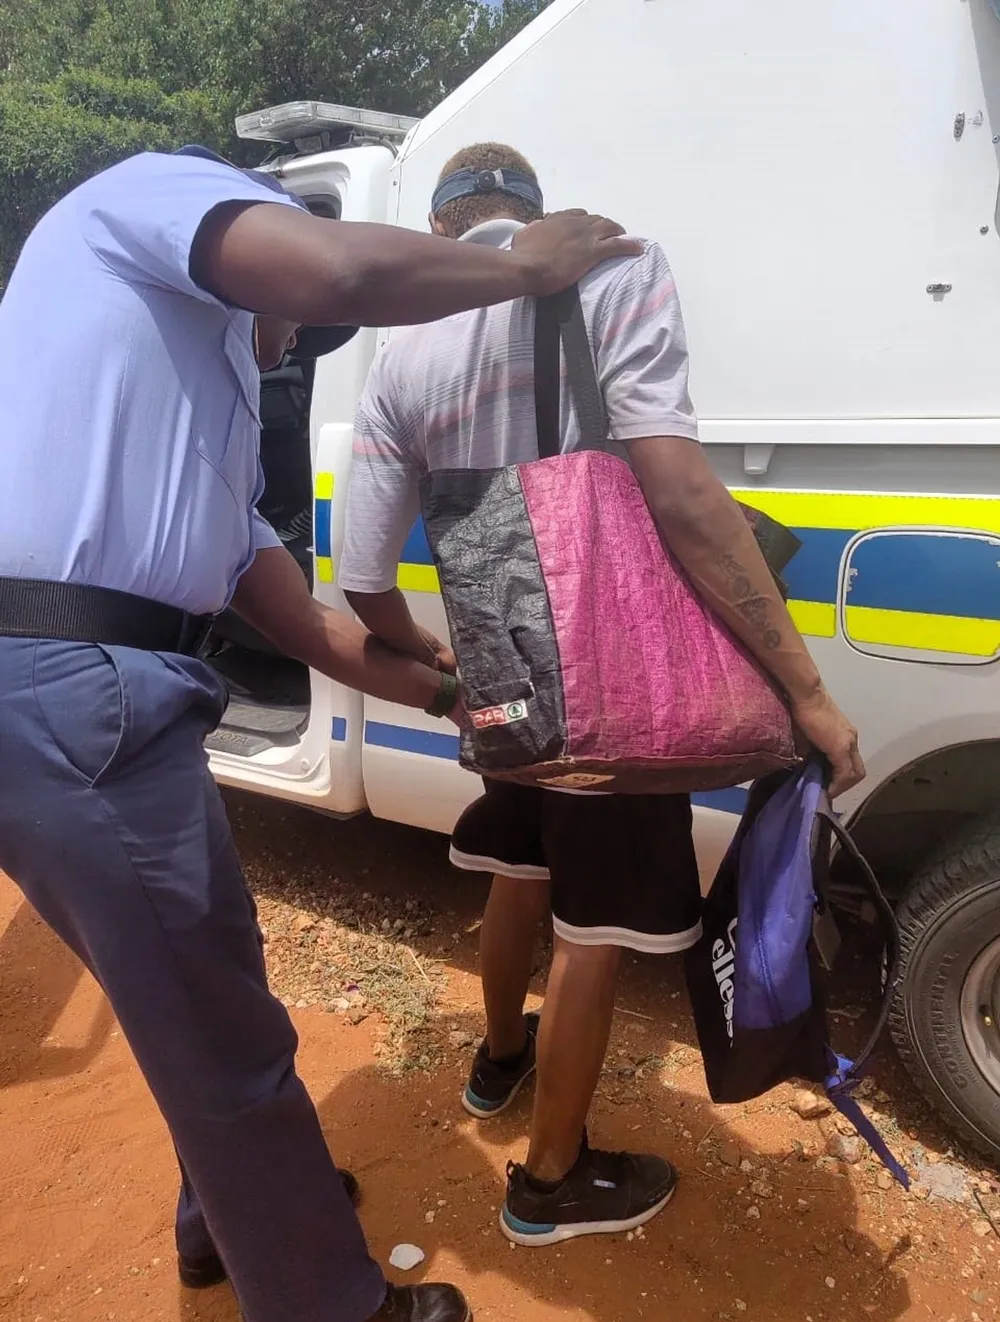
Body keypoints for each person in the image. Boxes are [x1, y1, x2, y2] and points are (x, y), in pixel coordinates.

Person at [0, 144, 641, 1322]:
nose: (299, 338)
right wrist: (527, 265)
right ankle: (327, 1310)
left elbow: (311, 629)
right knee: (220, 1024)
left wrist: (450, 692)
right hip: (74, 686)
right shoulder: (148, 189)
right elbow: (338, 271)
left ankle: (223, 1216)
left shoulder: (198, 445)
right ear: (239, 232)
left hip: (82, 695)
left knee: (200, 984)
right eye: (290, 320)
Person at [338, 143, 866, 1249]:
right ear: (537, 215)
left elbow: (365, 579)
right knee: (594, 926)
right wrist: (804, 690)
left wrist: (435, 664)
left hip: (504, 675)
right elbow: (678, 491)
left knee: (520, 870)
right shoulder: (614, 271)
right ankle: (551, 1180)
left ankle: (499, 1063)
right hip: (614, 678)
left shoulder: (400, 354)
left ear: (441, 229)